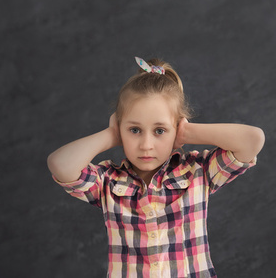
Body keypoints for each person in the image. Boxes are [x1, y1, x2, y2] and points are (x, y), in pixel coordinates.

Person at [47, 57, 264, 278]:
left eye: (160, 130)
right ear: (120, 128)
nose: (146, 145)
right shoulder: (107, 181)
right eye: (134, 130)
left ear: (176, 128)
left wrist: (188, 133)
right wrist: (109, 136)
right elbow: (60, 164)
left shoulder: (198, 171)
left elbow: (253, 140)